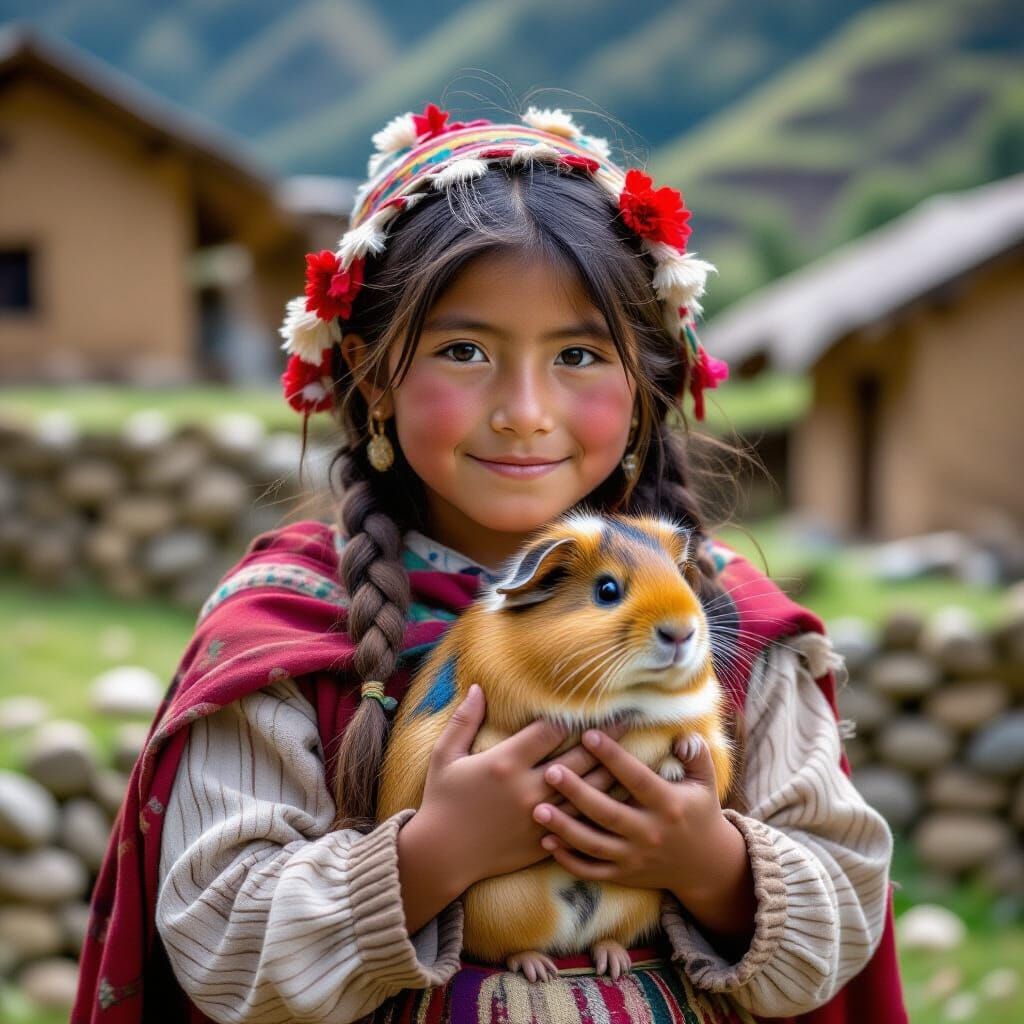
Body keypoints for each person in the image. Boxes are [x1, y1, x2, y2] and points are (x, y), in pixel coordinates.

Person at [73, 102, 908, 1024]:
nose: (523, 410)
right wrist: (435, 854)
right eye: (464, 351)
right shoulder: (287, 625)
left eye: (580, 355)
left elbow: (847, 906)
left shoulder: (727, 629)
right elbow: (220, 941)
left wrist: (707, 864)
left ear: (647, 383)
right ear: (370, 374)